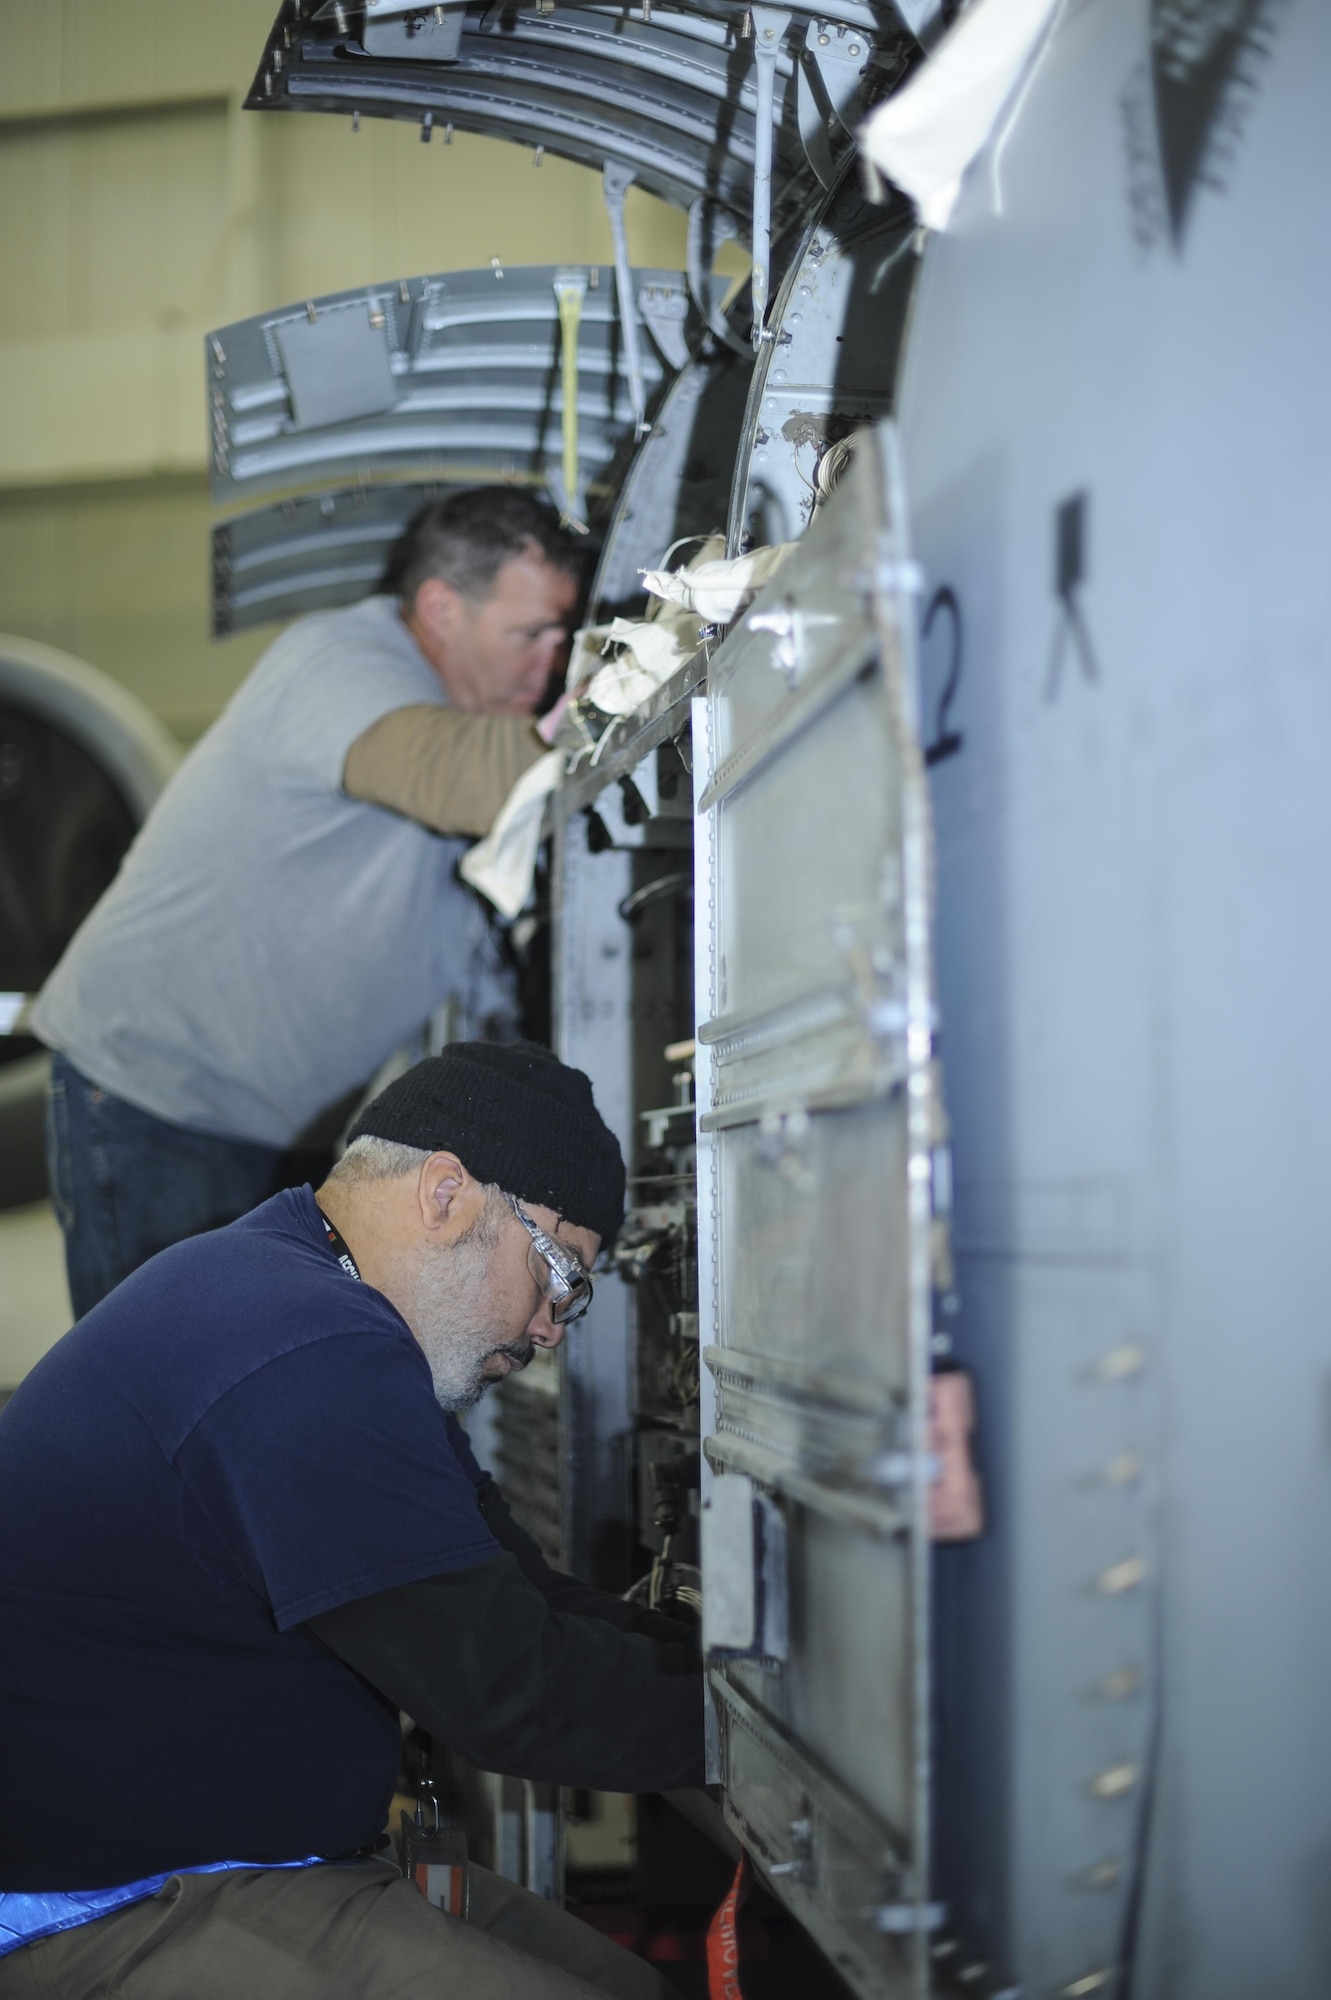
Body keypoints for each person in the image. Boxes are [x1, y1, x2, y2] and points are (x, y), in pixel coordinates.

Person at [0, 1041, 702, 2000]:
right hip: (107, 1902)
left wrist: (710, 1661)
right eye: (559, 1274)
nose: (548, 1328)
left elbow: (519, 1595)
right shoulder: (305, 1344)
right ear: (447, 1194)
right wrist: (768, 1731)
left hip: (247, 1857)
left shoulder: (294, 1296)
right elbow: (508, 1691)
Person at [30, 488, 584, 1319]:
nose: (551, 662)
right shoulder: (340, 660)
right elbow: (470, 778)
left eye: (562, 635)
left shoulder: (475, 710)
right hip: (158, 1100)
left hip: (278, 1128)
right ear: (439, 607)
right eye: (529, 633)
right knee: (173, 1394)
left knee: (265, 1382)